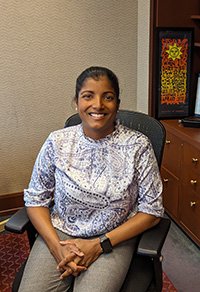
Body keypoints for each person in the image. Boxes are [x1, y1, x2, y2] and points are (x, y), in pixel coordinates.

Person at [19, 66, 164, 292]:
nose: (98, 105)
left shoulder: (138, 146)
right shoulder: (57, 142)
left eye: (108, 97)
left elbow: (152, 211)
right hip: (62, 232)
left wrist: (99, 244)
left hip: (114, 237)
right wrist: (56, 247)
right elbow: (36, 199)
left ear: (117, 103)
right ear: (76, 102)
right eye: (88, 96)